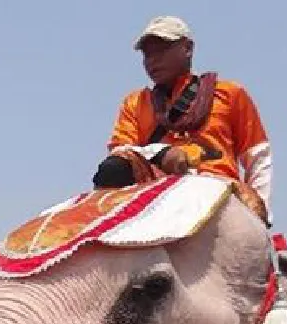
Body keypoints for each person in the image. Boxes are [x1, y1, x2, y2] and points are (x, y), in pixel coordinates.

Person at [93, 16, 274, 224]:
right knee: (113, 170)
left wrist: (261, 216)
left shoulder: (230, 93)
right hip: (157, 193)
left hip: (219, 189)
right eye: (147, 54)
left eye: (161, 50)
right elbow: (121, 152)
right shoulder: (135, 103)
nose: (152, 60)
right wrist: (161, 153)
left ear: (187, 49)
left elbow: (258, 156)